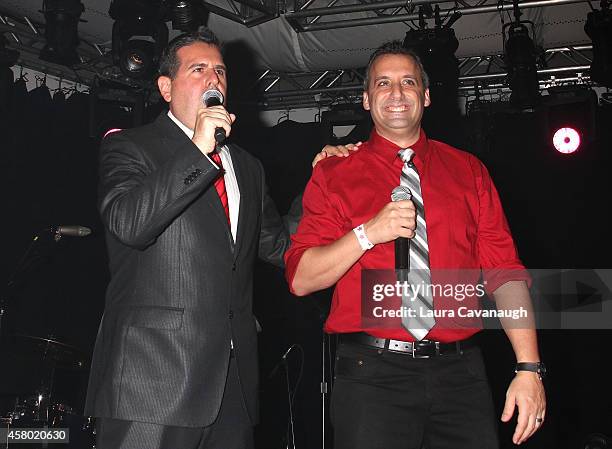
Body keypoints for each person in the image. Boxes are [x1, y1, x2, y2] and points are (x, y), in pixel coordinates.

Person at [284, 41, 546, 449]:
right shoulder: (334, 174)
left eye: (408, 82)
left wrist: (529, 367)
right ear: (367, 100)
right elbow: (301, 279)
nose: (397, 93)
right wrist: (367, 233)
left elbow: (504, 272)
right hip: (372, 375)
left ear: (425, 96)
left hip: (462, 375)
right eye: (383, 84)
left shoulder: (469, 171)